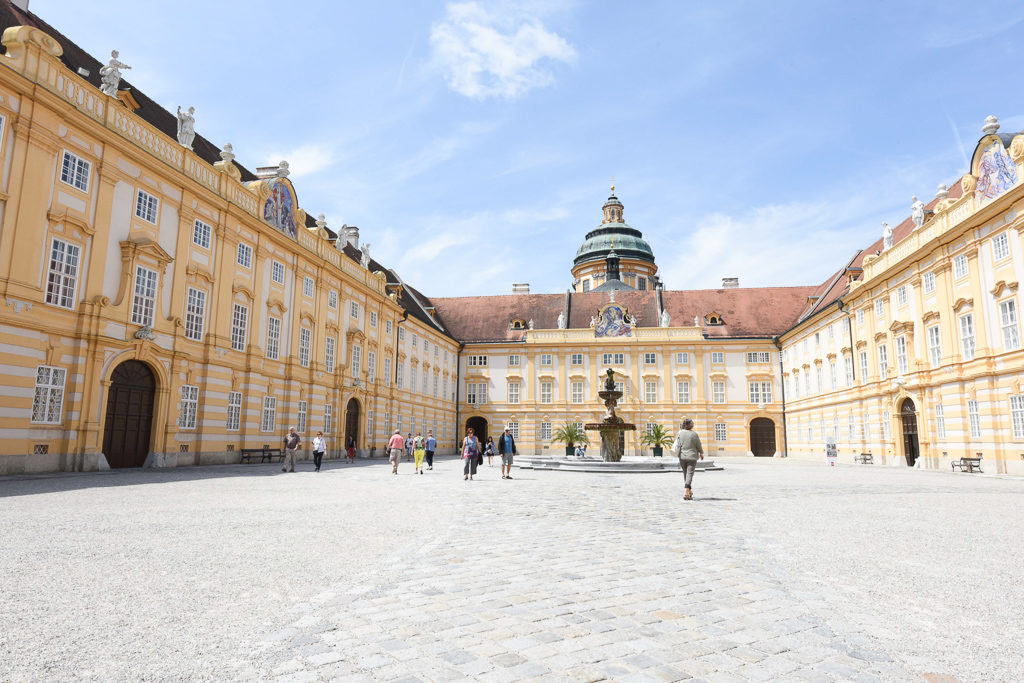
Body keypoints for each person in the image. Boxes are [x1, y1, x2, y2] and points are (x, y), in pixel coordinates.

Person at [671, 418, 705, 500]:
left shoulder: (679, 433)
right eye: (692, 424)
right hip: (692, 457)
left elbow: (677, 443)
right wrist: (701, 453)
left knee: (686, 473)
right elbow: (698, 445)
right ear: (691, 425)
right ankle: (686, 491)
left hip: (682, 456)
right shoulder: (694, 434)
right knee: (689, 474)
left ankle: (689, 491)